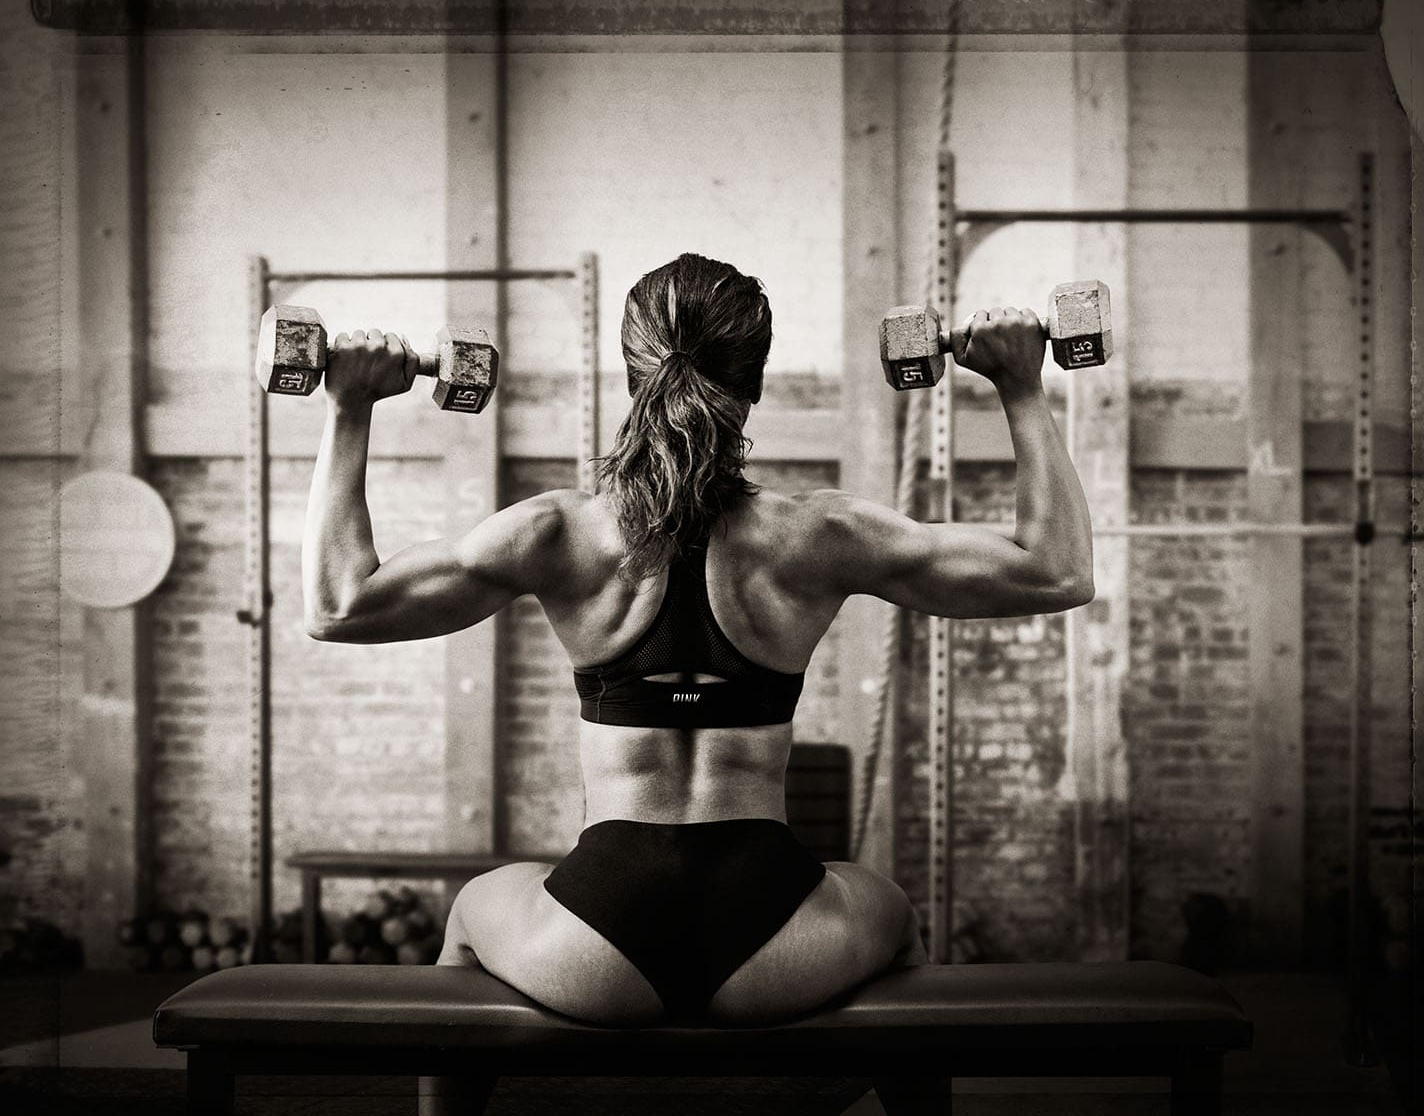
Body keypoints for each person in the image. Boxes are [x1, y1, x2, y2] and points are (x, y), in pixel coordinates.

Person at [303, 252, 1094, 1026]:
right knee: (889, 909)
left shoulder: (555, 533)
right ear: (752, 385)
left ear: (631, 377)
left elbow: (340, 606)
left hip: (594, 948)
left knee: (478, 905)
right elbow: (1056, 574)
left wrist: (350, 407)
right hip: (779, 940)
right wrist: (1022, 385)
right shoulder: (820, 536)